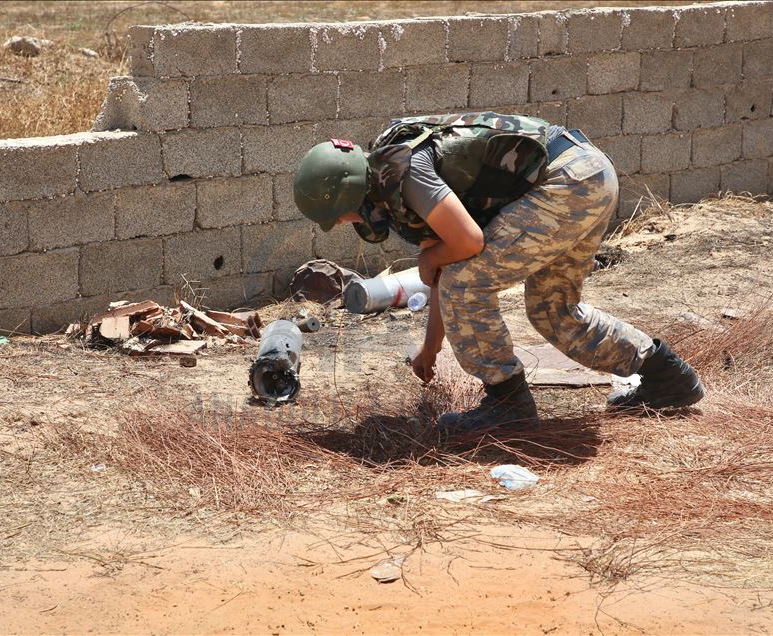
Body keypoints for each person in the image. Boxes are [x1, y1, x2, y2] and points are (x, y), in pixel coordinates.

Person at [292, 112, 705, 434]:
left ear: (348, 192)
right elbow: (446, 265)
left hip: (566, 181)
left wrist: (431, 261)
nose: (345, 223)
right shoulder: (392, 180)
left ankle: (508, 405)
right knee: (553, 309)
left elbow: (466, 247)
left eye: (340, 215)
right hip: (588, 174)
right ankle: (667, 376)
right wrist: (430, 348)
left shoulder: (405, 174)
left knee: (469, 284)